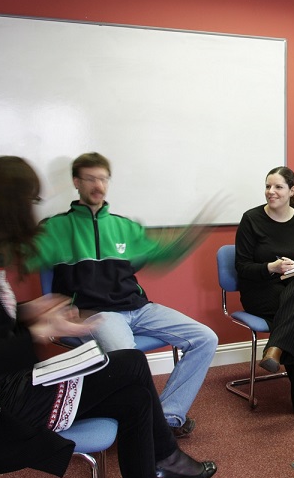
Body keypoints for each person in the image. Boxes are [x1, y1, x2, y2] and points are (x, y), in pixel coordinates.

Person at [0, 156, 216, 478]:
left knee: (136, 390)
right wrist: (35, 332)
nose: (29, 213)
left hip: (14, 384)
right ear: (6, 204)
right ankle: (165, 461)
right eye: (27, 202)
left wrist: (29, 310)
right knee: (132, 369)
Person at [28, 152, 217, 437]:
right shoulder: (55, 228)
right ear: (76, 182)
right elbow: (27, 258)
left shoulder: (124, 226)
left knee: (205, 338)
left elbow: (160, 255)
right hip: (97, 314)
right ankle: (151, 424)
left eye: (103, 178)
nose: (98, 185)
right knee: (130, 360)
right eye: (90, 178)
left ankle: (167, 416)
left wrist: (184, 238)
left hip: (139, 308)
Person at [234, 166, 294, 425]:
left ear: (292, 191)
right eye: (268, 186)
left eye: (277, 187)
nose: (271, 192)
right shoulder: (251, 219)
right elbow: (241, 267)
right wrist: (271, 268)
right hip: (261, 291)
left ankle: (276, 349)